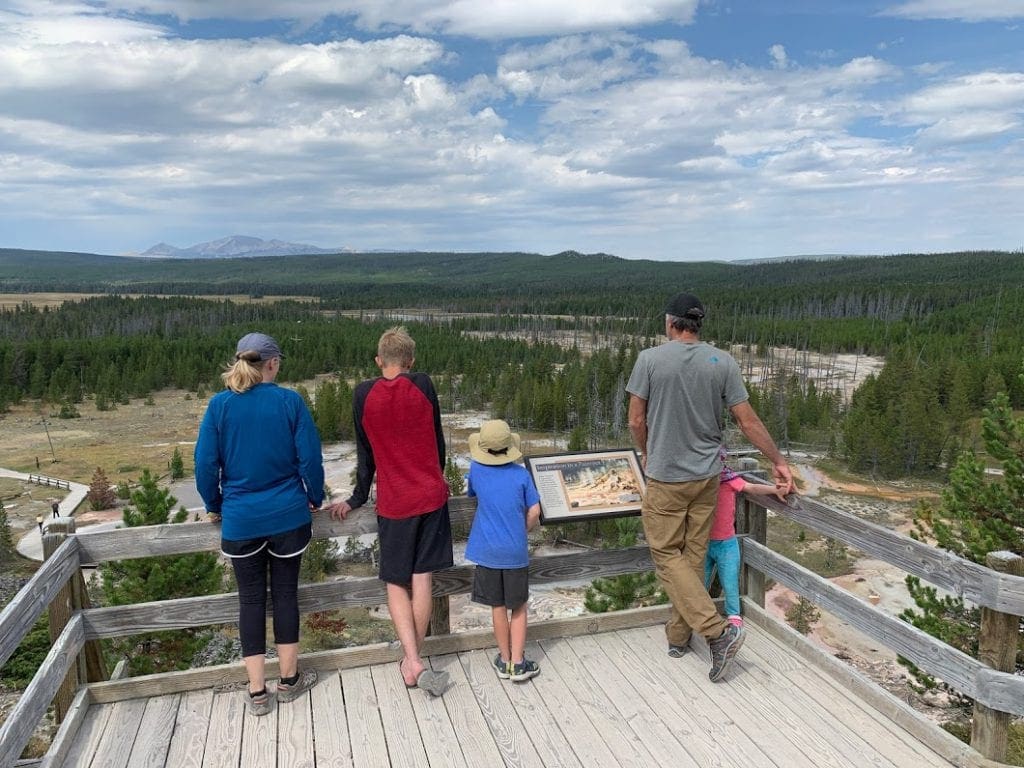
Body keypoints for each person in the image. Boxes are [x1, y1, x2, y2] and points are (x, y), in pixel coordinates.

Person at [627, 292, 793, 682]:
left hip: (667, 477)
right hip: (706, 478)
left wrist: (648, 452)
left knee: (667, 555)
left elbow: (636, 421)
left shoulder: (649, 360)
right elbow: (749, 422)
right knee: (692, 557)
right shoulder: (723, 362)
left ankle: (718, 635)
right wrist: (779, 461)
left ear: (670, 323)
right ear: (699, 324)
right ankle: (678, 635)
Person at [195, 332, 323, 716]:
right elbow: (310, 459)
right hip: (287, 515)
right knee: (285, 595)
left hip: (240, 519)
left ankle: (256, 691)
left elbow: (204, 464)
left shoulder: (219, 406)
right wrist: (314, 497)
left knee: (249, 600)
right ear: (272, 364)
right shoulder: (289, 401)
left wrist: (214, 504)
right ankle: (289, 680)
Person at [328, 326, 453, 696]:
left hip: (395, 500)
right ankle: (414, 659)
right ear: (412, 362)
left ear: (378, 361)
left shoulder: (363, 394)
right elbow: (438, 439)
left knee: (396, 582)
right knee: (422, 578)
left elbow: (364, 454)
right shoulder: (423, 384)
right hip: (430, 495)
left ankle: (411, 660)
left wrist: (356, 497)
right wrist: (436, 475)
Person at [465, 420, 542, 682]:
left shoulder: (476, 470)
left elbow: (472, 493)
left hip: (486, 551)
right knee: (518, 607)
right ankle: (519, 664)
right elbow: (534, 510)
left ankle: (504, 659)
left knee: (497, 606)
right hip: (515, 552)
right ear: (510, 447)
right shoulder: (522, 476)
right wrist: (523, 529)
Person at [706, 449, 788, 629]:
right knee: (699, 583)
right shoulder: (697, 482)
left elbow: (750, 487)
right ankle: (698, 615)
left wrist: (774, 490)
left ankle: (733, 614)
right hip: (702, 542)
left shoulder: (728, 479)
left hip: (727, 542)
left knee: (730, 581)